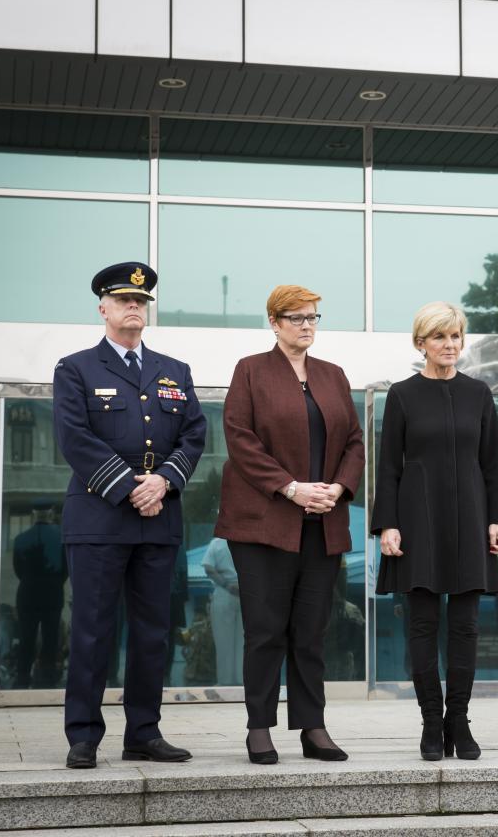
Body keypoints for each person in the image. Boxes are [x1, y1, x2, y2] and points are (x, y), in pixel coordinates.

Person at [53, 262, 206, 769]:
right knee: (92, 629)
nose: (134, 307)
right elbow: (75, 439)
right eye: (123, 300)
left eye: (141, 301)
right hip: (99, 520)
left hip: (158, 518)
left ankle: (143, 731)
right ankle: (83, 735)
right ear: (103, 308)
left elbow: (194, 434)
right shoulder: (75, 368)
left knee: (152, 632)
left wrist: (164, 480)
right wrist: (130, 488)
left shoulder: (174, 370)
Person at [215, 285, 364, 765]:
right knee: (265, 630)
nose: (306, 325)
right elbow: (240, 440)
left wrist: (338, 489)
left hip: (322, 522)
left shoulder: (333, 375)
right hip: (264, 524)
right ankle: (259, 727)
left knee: (311, 630)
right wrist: (292, 488)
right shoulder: (251, 371)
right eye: (295, 317)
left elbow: (355, 442)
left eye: (313, 317)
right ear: (274, 323)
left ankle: (312, 727)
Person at [371, 301, 498, 762]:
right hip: (418, 520)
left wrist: (497, 519)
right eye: (439, 337)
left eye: (455, 337)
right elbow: (389, 465)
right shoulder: (403, 395)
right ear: (421, 343)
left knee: (467, 626)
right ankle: (432, 722)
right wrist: (387, 524)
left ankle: (459, 721)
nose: (449, 345)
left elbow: (493, 463)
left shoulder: (479, 393)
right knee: (424, 624)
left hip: (471, 519)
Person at [12, 499, 66, 688]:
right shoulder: (62, 537)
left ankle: (22, 678)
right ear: (51, 514)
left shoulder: (21, 539)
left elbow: (18, 569)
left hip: (27, 594)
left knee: (26, 637)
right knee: (50, 638)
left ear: (33, 515)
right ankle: (47, 680)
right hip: (52, 593)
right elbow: (66, 568)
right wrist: (55, 582)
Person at [202, 537, 243, 686]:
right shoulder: (247, 540)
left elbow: (208, 567)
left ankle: (226, 684)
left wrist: (226, 584)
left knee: (223, 642)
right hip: (246, 593)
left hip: (224, 592)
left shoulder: (217, 543)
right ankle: (242, 682)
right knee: (244, 642)